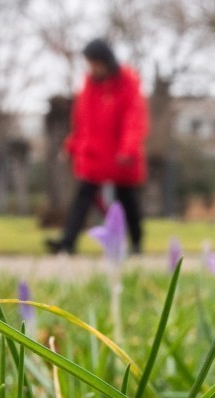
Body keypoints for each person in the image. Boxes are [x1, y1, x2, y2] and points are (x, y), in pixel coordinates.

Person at [46, 38, 149, 255]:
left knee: (127, 200)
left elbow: (134, 119)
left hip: (121, 155)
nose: (92, 67)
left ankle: (136, 243)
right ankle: (68, 242)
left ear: (106, 61)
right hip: (96, 154)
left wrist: (128, 148)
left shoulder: (128, 84)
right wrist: (71, 146)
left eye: (95, 62)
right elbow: (82, 122)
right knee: (83, 198)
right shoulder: (89, 87)